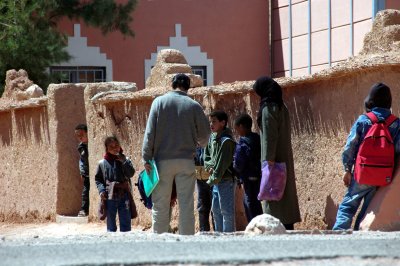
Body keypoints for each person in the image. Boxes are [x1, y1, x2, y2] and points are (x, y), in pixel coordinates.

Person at [142, 73, 210, 235]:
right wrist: (197, 142)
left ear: (172, 85)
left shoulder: (159, 102)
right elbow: (206, 137)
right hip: (186, 160)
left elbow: (150, 133)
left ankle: (159, 242)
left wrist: (146, 157)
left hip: (161, 162)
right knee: (186, 203)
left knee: (160, 205)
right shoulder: (194, 106)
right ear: (188, 87)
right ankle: (186, 241)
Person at [333, 83, 400, 230]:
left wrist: (347, 169)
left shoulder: (363, 120)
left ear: (370, 100)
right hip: (382, 177)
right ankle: (360, 235)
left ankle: (338, 232)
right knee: (368, 210)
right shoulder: (396, 123)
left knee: (348, 205)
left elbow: (350, 146)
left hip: (361, 174)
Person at [253, 76, 301, 230]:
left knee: (273, 194)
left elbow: (269, 136)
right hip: (283, 157)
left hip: (274, 160)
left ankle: (276, 227)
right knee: (285, 194)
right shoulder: (282, 107)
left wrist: (268, 160)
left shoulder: (268, 109)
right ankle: (287, 224)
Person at [204, 110, 236, 232]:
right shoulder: (212, 137)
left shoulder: (226, 141)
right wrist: (208, 166)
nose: (211, 124)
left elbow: (222, 164)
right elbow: (207, 155)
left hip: (225, 180)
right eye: (210, 122)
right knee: (216, 210)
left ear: (223, 123)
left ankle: (228, 239)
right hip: (216, 180)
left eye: (214, 122)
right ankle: (219, 237)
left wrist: (210, 180)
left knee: (226, 211)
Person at [95, 136, 135, 232]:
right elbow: (98, 179)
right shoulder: (102, 163)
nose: (114, 148)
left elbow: (131, 173)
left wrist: (124, 162)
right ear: (106, 148)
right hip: (109, 196)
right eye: (111, 146)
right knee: (111, 223)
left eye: (116, 145)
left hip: (124, 195)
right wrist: (101, 190)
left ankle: (125, 241)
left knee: (125, 221)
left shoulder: (126, 160)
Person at [233, 114, 263, 223]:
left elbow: (238, 164)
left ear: (241, 126)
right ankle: (261, 223)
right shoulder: (257, 138)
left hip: (247, 176)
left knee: (249, 202)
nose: (237, 131)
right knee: (257, 201)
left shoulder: (242, 143)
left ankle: (254, 225)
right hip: (258, 174)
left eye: (237, 128)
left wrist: (235, 170)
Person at [195, 146, 214, 232]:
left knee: (215, 209)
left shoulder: (212, 142)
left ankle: (218, 232)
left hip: (212, 181)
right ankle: (204, 233)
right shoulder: (196, 144)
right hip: (200, 180)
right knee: (202, 208)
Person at [75, 124, 90, 217]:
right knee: (85, 191)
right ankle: (84, 209)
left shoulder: (91, 144)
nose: (80, 137)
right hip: (86, 173)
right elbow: (82, 161)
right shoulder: (81, 147)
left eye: (82, 134)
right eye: (78, 136)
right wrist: (82, 172)